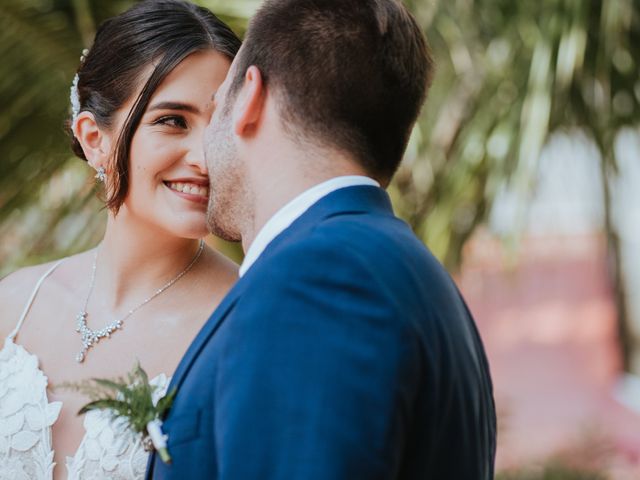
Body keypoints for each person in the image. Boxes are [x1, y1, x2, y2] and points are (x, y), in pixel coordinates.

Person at [148, 0, 497, 478]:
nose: (203, 149)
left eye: (216, 106)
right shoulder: (411, 272)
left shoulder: (316, 281)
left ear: (250, 98)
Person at [0, 1, 241, 478]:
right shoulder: (13, 303)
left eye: (222, 129)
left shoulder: (245, 323)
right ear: (94, 138)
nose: (205, 158)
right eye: (172, 120)